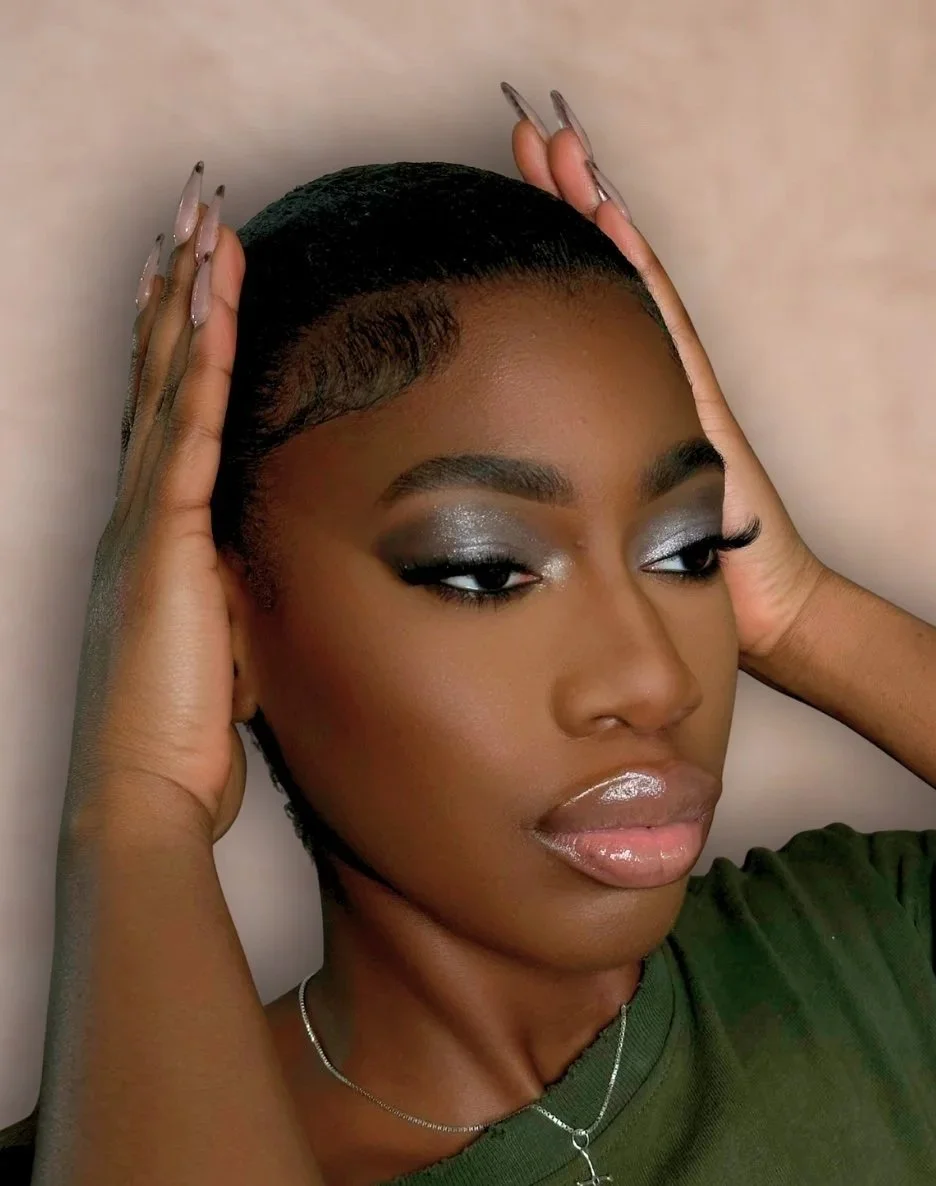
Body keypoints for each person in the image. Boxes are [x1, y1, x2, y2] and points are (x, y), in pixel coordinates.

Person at [1, 84, 935, 1186]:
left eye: (687, 551)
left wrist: (809, 613)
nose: (653, 678)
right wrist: (134, 806)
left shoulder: (867, 952)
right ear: (219, 634)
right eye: (487, 571)